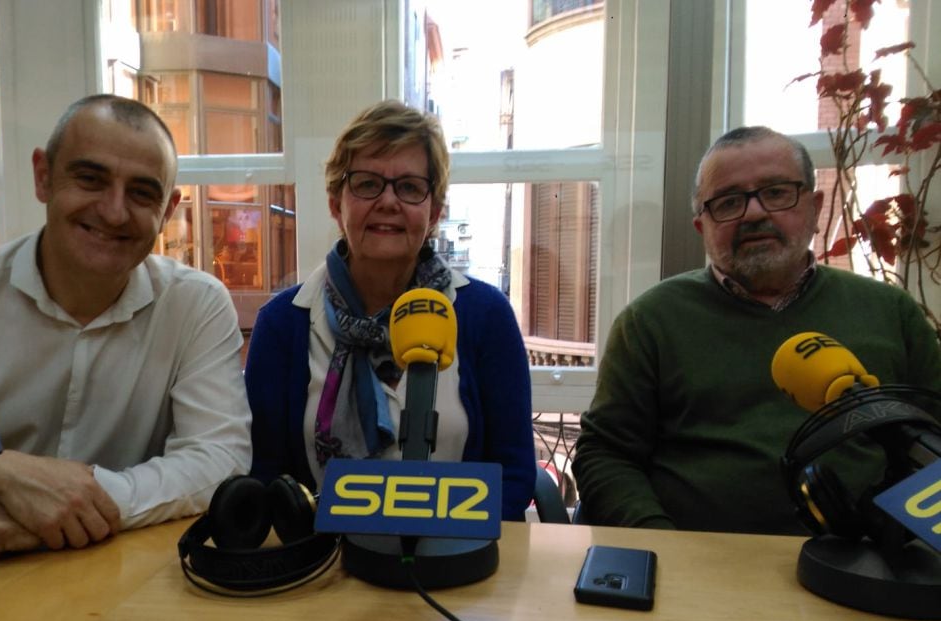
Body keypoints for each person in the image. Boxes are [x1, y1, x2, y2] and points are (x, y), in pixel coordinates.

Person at [0, 94, 252, 555]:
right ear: (43, 177)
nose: (113, 211)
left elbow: (219, 461)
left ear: (167, 212)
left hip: (113, 581)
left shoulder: (195, 304)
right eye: (90, 179)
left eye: (143, 193)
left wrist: (70, 505)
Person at [573, 126, 941, 535]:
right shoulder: (650, 322)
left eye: (777, 192)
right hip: (699, 566)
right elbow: (605, 454)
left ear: (815, 208)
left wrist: (900, 545)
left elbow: (933, 443)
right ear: (702, 227)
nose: (753, 213)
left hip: (872, 563)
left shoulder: (890, 312)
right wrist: (662, 546)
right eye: (728, 202)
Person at [244, 100, 535, 520]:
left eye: (410, 187)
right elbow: (267, 473)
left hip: (454, 564)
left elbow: (514, 473)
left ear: (433, 212)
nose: (388, 201)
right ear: (335, 203)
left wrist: (450, 547)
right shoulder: (282, 325)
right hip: (326, 568)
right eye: (366, 184)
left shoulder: (485, 316)